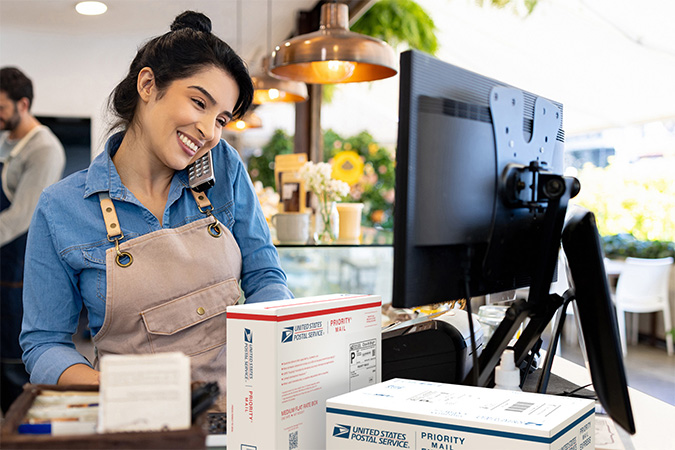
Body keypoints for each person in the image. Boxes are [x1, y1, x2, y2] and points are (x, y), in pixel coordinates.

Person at [20, 11, 293, 410]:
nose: (209, 132)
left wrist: (266, 353)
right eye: (199, 102)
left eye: (221, 119)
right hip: (137, 421)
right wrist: (111, 392)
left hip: (240, 410)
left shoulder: (224, 168)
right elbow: (44, 344)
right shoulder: (60, 208)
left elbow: (265, 275)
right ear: (148, 85)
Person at [0, 67, 65, 413]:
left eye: (1, 107)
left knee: (12, 365)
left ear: (22, 104)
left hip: (18, 265)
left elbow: (20, 217)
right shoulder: (5, 138)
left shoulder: (44, 149)